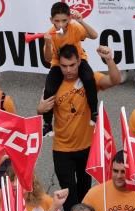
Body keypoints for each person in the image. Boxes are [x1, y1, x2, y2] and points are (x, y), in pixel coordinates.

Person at [37, 44, 121, 211]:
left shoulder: (89, 79)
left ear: (79, 62)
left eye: (73, 65)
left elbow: (115, 80)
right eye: (64, 66)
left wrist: (109, 60)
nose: (69, 70)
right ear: (58, 65)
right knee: (70, 197)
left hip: (86, 147)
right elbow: (42, 109)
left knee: (84, 192)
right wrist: (39, 109)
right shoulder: (53, 84)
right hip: (62, 150)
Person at [40, 2, 99, 134]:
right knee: (49, 89)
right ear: (51, 20)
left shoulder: (75, 28)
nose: (60, 24)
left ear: (69, 19)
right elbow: (48, 59)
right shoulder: (50, 34)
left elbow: (94, 35)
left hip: (78, 60)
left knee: (89, 78)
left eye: (64, 20)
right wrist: (48, 43)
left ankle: (94, 113)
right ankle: (48, 123)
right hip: (58, 63)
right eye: (57, 21)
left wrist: (81, 21)